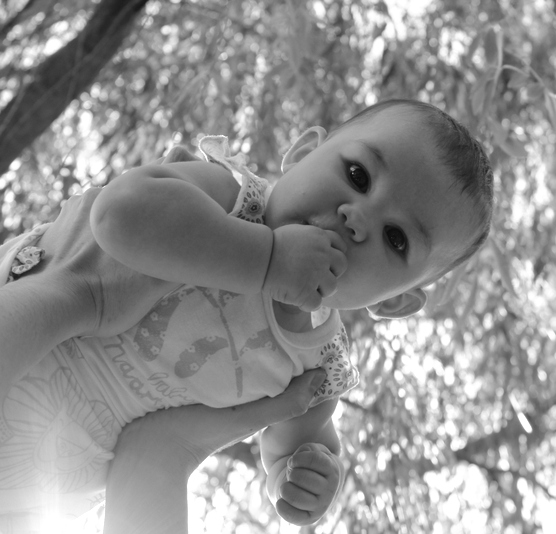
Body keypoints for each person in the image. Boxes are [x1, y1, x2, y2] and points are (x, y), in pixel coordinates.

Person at [0, 99, 494, 531]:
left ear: (392, 303)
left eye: (396, 238)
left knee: (157, 467)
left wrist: (304, 472)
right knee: (60, 300)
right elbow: (119, 214)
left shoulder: (315, 367)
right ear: (301, 153)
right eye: (357, 176)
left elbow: (295, 442)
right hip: (29, 327)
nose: (357, 218)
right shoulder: (229, 200)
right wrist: (266, 259)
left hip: (35, 486)